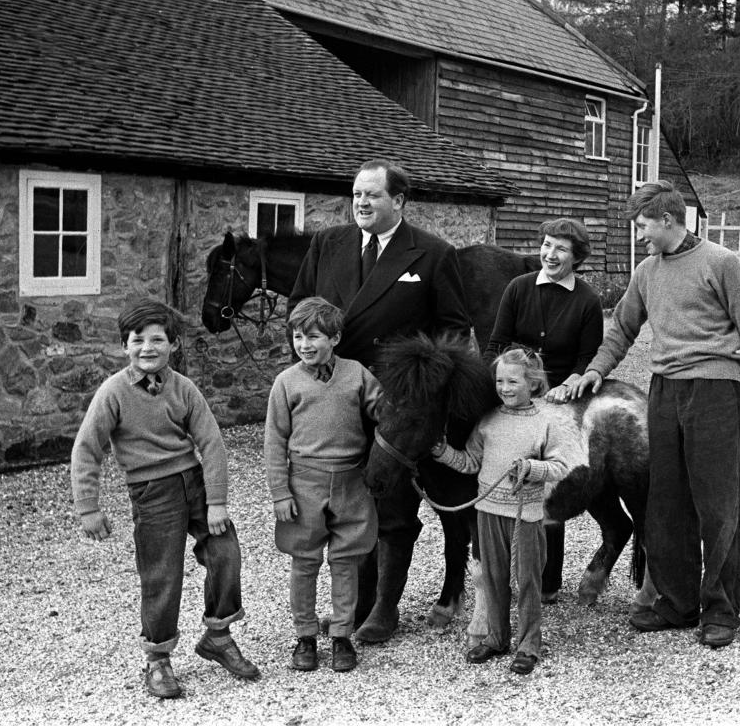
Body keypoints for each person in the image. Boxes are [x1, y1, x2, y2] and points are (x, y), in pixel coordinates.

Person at [572, 180, 740, 648]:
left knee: (716, 503)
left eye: (642, 226)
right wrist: (596, 370)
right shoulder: (646, 271)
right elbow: (621, 326)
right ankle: (677, 603)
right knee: (666, 502)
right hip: (664, 391)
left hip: (716, 389)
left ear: (667, 219)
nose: (638, 235)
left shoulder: (721, 263)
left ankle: (720, 609)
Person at [288, 158, 472, 643]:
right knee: (348, 504)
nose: (362, 203)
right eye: (356, 195)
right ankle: (356, 602)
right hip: (336, 397)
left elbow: (453, 328)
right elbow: (300, 310)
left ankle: (384, 608)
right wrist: (311, 369)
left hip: (396, 406)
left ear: (399, 201)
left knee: (392, 509)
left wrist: (419, 385)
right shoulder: (329, 244)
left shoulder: (432, 254)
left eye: (372, 195)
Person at [70, 298, 259, 700]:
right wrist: (88, 506)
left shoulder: (184, 389)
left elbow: (211, 443)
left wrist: (217, 502)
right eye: (138, 340)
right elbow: (87, 448)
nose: (148, 348)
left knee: (226, 553)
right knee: (162, 575)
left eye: (158, 339)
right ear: (125, 346)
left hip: (195, 484)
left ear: (173, 344)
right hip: (152, 494)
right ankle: (157, 660)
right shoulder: (114, 393)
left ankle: (219, 637)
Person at [483, 217, 603, 604]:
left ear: (576, 257)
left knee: (548, 482)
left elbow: (588, 356)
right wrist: (499, 388)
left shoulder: (587, 299)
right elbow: (497, 343)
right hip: (516, 395)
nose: (550, 255)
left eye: (561, 249)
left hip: (562, 402)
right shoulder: (518, 288)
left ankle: (546, 583)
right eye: (547, 245)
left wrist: (572, 380)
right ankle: (495, 567)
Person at [431, 348, 569, 675]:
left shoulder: (546, 421)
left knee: (527, 581)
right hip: (488, 512)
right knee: (493, 580)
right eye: (499, 381)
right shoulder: (489, 419)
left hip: (526, 516)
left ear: (533, 384)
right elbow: (470, 462)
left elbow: (561, 466)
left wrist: (533, 468)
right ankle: (496, 637)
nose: (504, 388)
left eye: (512, 381)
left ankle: (528, 644)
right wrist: (442, 453)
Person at [264, 297, 381, 672]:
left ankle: (342, 635)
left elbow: (384, 412)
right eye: (298, 337)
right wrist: (281, 493)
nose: (305, 345)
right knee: (305, 561)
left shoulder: (357, 374)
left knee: (346, 561)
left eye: (314, 336)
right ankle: (305, 636)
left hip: (351, 481)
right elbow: (274, 440)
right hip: (304, 483)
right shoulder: (286, 382)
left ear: (335, 338)